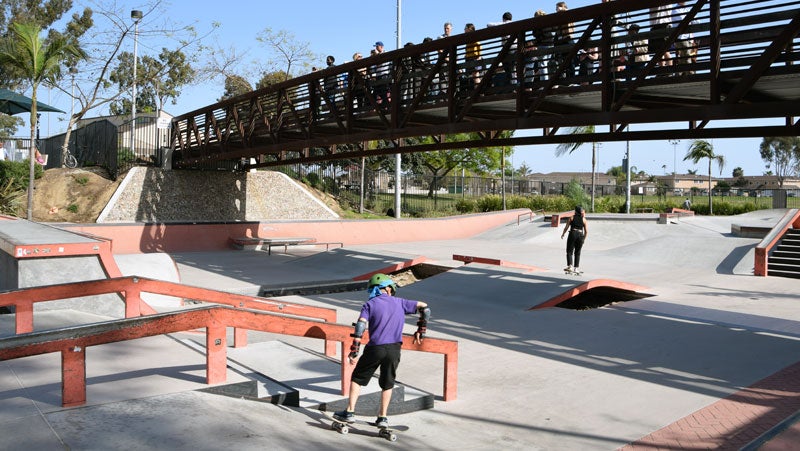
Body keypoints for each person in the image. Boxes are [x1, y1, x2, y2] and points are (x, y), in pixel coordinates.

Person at [334, 273, 430, 428]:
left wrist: (355, 350)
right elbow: (424, 307)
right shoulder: (401, 302)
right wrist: (421, 329)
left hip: (375, 348)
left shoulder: (369, 304)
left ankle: (350, 412)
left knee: (357, 378)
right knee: (387, 383)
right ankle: (382, 417)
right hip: (394, 349)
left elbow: (361, 325)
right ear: (388, 288)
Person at [561, 205, 588, 273]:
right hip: (580, 235)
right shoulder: (584, 219)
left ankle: (570, 266)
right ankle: (576, 268)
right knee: (577, 253)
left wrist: (563, 234)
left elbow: (566, 227)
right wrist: (583, 239)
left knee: (569, 251)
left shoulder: (571, 217)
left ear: (575, 211)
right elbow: (586, 231)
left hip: (573, 233)